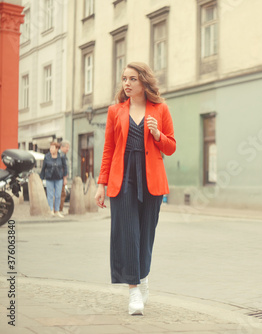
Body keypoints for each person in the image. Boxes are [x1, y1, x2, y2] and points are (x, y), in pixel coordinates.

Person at [94, 62, 176, 315]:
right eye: (123, 79)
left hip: (152, 180)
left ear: (144, 82)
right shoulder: (115, 111)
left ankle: (143, 276)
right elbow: (108, 149)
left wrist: (157, 134)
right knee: (127, 234)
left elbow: (171, 146)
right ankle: (134, 292)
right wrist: (101, 184)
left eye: (132, 79)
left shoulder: (160, 109)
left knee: (145, 235)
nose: (126, 84)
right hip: (123, 177)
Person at [40, 141, 67, 218]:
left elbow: (65, 168)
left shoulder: (61, 156)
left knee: (58, 195)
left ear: (57, 149)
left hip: (59, 178)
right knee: (50, 195)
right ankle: (51, 210)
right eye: (50, 147)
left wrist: (65, 178)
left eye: (52, 148)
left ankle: (57, 211)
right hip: (49, 178)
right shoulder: (47, 156)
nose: (51, 149)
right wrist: (41, 178)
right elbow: (43, 168)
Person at [59, 140, 70, 212]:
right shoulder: (61, 155)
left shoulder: (63, 155)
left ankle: (59, 209)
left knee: (62, 194)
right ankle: (59, 209)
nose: (68, 149)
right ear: (62, 147)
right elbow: (62, 167)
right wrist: (64, 178)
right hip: (61, 177)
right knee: (62, 194)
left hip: (61, 177)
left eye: (68, 147)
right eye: (66, 147)